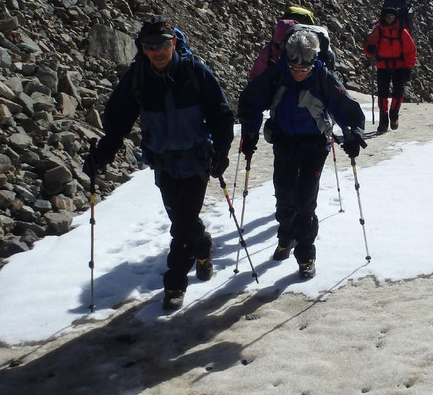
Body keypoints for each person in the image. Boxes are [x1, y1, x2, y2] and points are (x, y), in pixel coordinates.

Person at [83, 16, 235, 310]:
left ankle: (175, 284)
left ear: (174, 43)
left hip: (196, 161)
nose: (157, 51)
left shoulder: (194, 71)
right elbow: (118, 121)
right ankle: (203, 249)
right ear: (142, 48)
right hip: (163, 164)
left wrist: (222, 150)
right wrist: (103, 153)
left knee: (181, 226)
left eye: (163, 44)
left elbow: (221, 113)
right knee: (182, 219)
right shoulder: (137, 78)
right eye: (150, 46)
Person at [237, 29, 366, 278]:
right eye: (294, 67)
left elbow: (347, 109)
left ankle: (306, 253)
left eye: (304, 69)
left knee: (305, 201)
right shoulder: (277, 75)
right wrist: (250, 132)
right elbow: (251, 102)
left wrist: (353, 133)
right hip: (284, 142)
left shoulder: (324, 78)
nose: (298, 73)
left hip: (315, 145)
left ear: (314, 61)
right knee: (284, 196)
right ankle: (286, 237)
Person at [364, 3, 417, 132]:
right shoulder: (378, 31)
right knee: (383, 94)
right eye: (388, 17)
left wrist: (408, 68)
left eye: (392, 17)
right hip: (383, 66)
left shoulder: (402, 32)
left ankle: (393, 116)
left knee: (398, 93)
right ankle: (383, 121)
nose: (389, 19)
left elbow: (411, 51)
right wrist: (370, 50)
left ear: (395, 17)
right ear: (384, 17)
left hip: (399, 66)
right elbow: (368, 48)